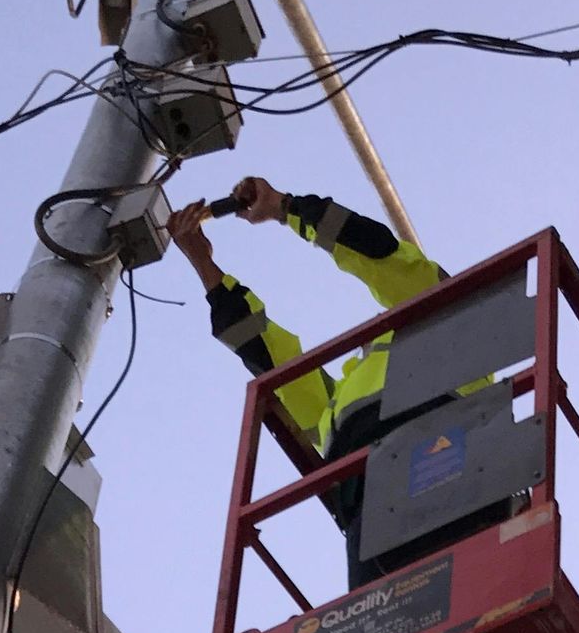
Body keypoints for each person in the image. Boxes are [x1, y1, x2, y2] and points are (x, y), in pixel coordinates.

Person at [171, 177, 455, 587]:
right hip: (368, 499)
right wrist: (205, 266)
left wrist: (285, 207)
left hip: (441, 451)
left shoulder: (440, 319)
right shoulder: (339, 404)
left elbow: (371, 248)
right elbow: (266, 353)